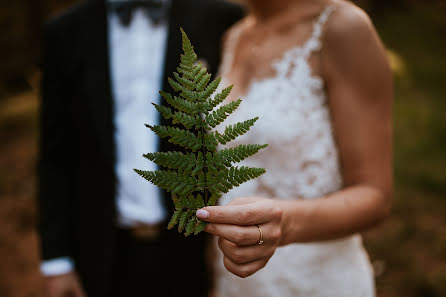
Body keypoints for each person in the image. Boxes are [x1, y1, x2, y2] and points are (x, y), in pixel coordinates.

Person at [38, 0, 243, 297]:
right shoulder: (64, 32)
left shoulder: (220, 18)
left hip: (195, 246)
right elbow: (55, 154)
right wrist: (56, 261)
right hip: (101, 249)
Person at [195, 0, 393, 296]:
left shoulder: (341, 28)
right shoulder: (234, 35)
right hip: (237, 281)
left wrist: (283, 224)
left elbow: (375, 196)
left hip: (314, 281)